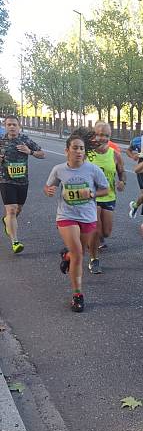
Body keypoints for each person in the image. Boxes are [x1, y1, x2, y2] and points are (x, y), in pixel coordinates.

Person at [44, 135, 109, 312]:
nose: (79, 151)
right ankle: (77, 294)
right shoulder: (59, 170)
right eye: (75, 148)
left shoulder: (93, 170)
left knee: (77, 252)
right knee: (79, 254)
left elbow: (106, 189)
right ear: (67, 150)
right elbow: (48, 186)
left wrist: (93, 194)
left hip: (88, 216)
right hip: (66, 215)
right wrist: (49, 190)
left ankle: (67, 256)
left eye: (81, 148)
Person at [0, 115, 45, 253]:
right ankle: (15, 242)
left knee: (18, 209)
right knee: (12, 209)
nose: (12, 127)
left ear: (19, 126)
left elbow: (42, 154)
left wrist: (30, 151)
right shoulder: (1, 141)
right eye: (9, 125)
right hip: (5, 180)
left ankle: (7, 221)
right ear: (5, 126)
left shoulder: (25, 139)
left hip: (22, 181)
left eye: (14, 124)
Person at [85, 121, 126, 273]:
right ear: (93, 134)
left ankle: (94, 240)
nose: (102, 138)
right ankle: (94, 259)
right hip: (90, 197)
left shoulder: (114, 154)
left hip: (108, 196)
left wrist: (122, 182)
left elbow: (122, 172)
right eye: (99, 134)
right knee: (95, 229)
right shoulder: (86, 153)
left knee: (106, 232)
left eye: (106, 135)